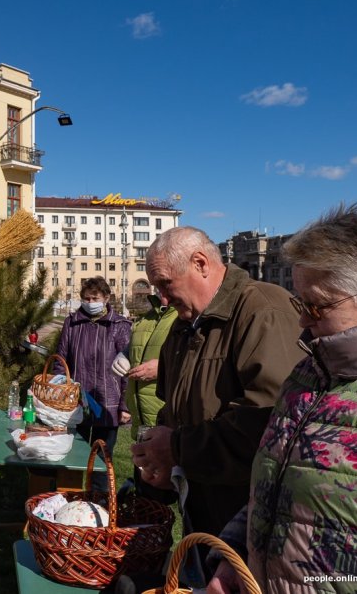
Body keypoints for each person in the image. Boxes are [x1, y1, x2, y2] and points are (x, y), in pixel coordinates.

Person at [207, 199, 357, 593]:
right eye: (300, 302)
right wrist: (235, 557)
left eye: (317, 306)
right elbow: (276, 484)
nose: (302, 320)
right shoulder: (306, 374)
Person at [131, 227, 304, 549]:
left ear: (200, 263)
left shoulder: (263, 311)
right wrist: (161, 460)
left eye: (166, 283)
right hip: (203, 507)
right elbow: (173, 407)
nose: (163, 299)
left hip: (251, 521)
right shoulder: (185, 325)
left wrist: (178, 448)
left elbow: (272, 423)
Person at [55, 276, 132, 493]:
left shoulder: (119, 326)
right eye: (86, 298)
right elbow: (61, 360)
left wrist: (125, 406)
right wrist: (60, 391)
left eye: (95, 298)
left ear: (106, 298)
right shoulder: (72, 322)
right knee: (72, 451)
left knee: (101, 457)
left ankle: (100, 502)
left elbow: (127, 369)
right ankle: (68, 496)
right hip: (77, 402)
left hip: (108, 402)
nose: (90, 302)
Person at [112, 293, 178, 438]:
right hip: (140, 419)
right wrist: (124, 355)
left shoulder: (185, 317)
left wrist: (163, 368)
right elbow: (135, 346)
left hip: (168, 422)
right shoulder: (146, 318)